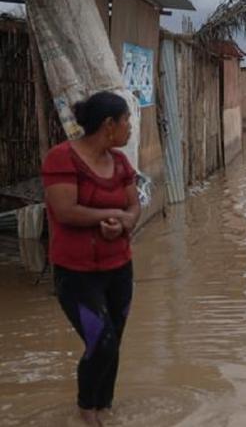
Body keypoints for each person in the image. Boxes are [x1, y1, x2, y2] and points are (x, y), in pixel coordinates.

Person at [42, 91, 140, 427]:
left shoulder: (121, 163)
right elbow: (65, 211)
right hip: (77, 273)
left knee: (115, 342)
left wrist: (125, 221)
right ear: (108, 125)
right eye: (127, 120)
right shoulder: (62, 158)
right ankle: (87, 411)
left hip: (119, 269)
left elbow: (134, 206)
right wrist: (112, 214)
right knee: (102, 341)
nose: (130, 127)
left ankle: (105, 408)